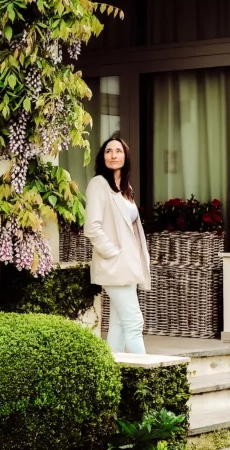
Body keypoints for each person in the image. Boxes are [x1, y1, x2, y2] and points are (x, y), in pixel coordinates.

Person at [84, 133, 151, 354]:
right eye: (108, 151)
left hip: (129, 266)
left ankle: (111, 373)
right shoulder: (99, 184)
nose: (113, 155)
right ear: (102, 157)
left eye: (118, 151)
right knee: (134, 322)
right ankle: (146, 379)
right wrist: (113, 253)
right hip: (115, 265)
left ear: (126, 156)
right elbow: (92, 227)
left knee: (120, 325)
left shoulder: (126, 190)